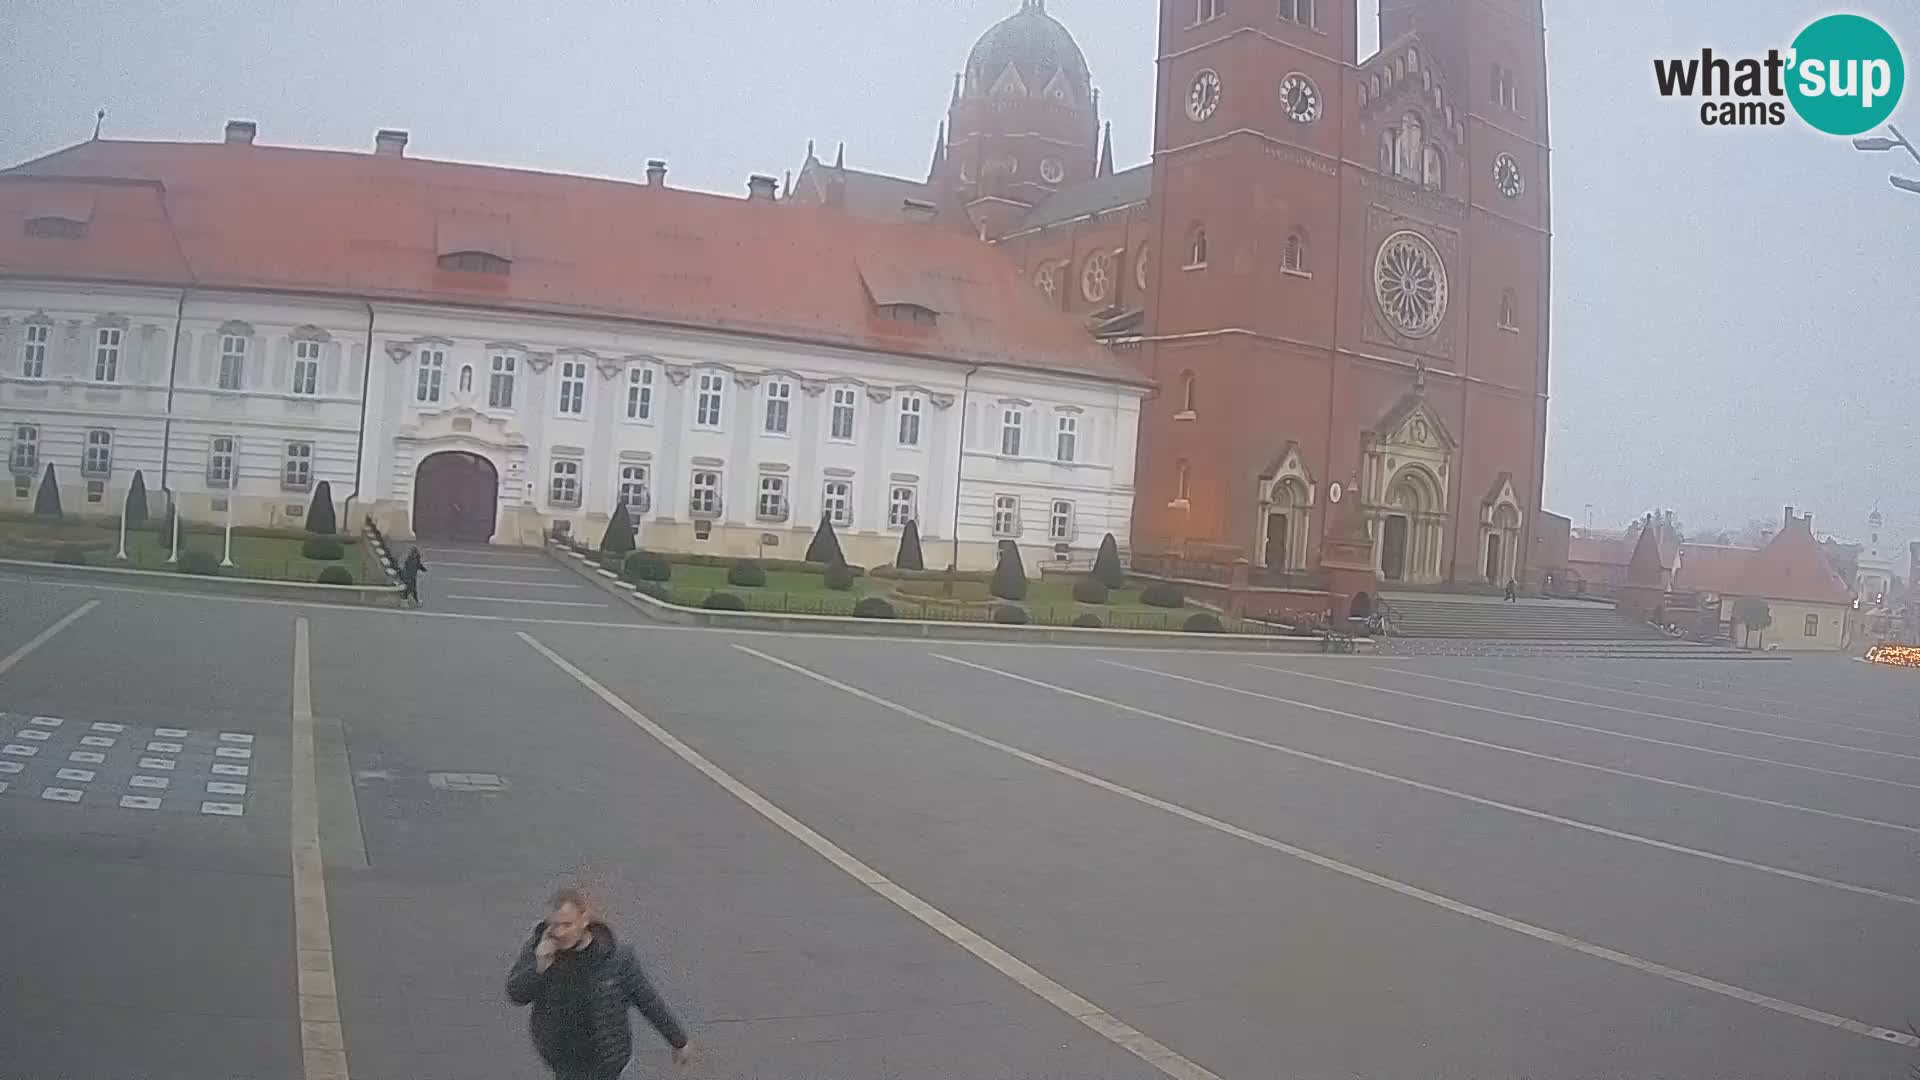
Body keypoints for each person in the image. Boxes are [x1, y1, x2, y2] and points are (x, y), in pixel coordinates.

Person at [507, 887, 695, 1079]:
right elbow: (516, 994)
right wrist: (539, 967)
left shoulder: (615, 957)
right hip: (563, 1058)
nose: (561, 933)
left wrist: (678, 1040)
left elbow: (646, 999)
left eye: (567, 924)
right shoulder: (540, 951)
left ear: (584, 920)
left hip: (605, 1058)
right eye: (554, 926)